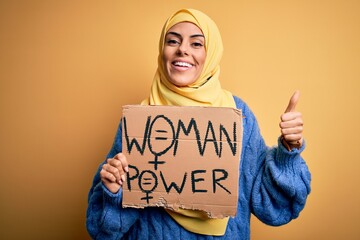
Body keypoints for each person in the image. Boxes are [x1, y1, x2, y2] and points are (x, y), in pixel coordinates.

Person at [86, 8, 311, 240]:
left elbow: (273, 207)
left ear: (211, 53)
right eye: (172, 41)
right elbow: (101, 230)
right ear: (162, 51)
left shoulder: (238, 114)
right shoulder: (139, 121)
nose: (182, 49)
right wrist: (114, 191)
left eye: (196, 44)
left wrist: (289, 150)